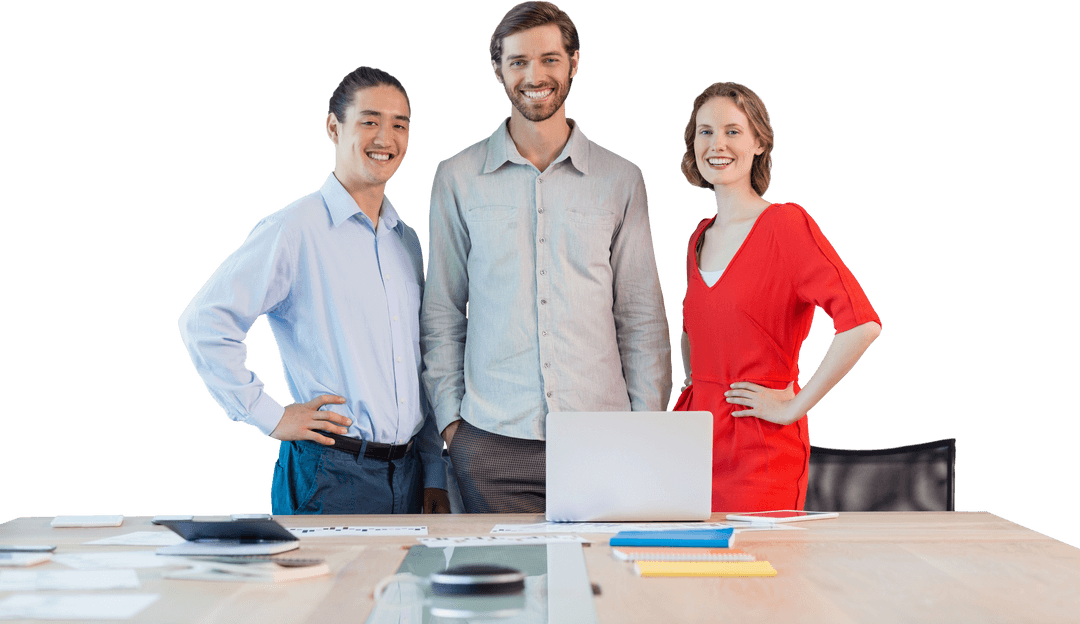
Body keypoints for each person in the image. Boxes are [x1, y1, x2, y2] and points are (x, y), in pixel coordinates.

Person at [421, 1, 673, 513]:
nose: (535, 76)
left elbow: (642, 318)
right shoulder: (456, 176)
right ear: (498, 70)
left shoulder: (621, 179)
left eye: (550, 59)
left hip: (603, 437)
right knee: (505, 588)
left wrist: (643, 426)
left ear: (574, 62)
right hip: (490, 440)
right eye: (518, 62)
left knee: (603, 587)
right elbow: (443, 311)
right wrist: (452, 425)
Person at [178, 66, 450, 515]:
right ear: (333, 127)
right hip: (332, 473)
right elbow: (204, 323)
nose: (386, 137)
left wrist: (433, 472)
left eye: (400, 125)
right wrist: (271, 415)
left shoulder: (408, 242)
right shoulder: (295, 229)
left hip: (409, 477)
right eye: (370, 121)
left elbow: (418, 366)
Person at [674, 82, 882, 512]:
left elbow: (861, 324)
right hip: (692, 447)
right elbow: (695, 336)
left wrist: (794, 408)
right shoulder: (699, 236)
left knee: (759, 576)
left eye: (733, 131)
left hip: (760, 451)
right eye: (705, 131)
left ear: (759, 143)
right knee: (686, 574)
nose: (717, 144)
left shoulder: (786, 225)